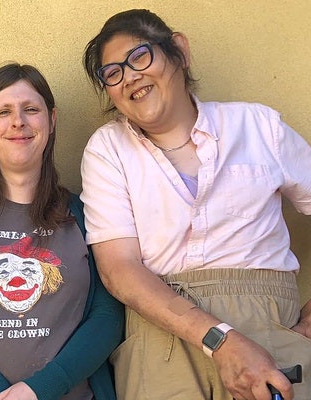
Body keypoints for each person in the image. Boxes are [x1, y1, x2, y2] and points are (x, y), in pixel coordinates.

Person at [81, 9, 311, 400]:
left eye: (139, 56)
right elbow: (119, 268)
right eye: (113, 73)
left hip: (272, 331)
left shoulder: (258, 127)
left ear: (180, 51)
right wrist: (220, 340)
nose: (130, 76)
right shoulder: (108, 149)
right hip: (162, 339)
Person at [0, 63, 123, 400]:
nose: (18, 121)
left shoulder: (87, 214)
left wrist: (38, 391)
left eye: (31, 109)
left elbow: (108, 316)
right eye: (4, 112)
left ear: (51, 120)